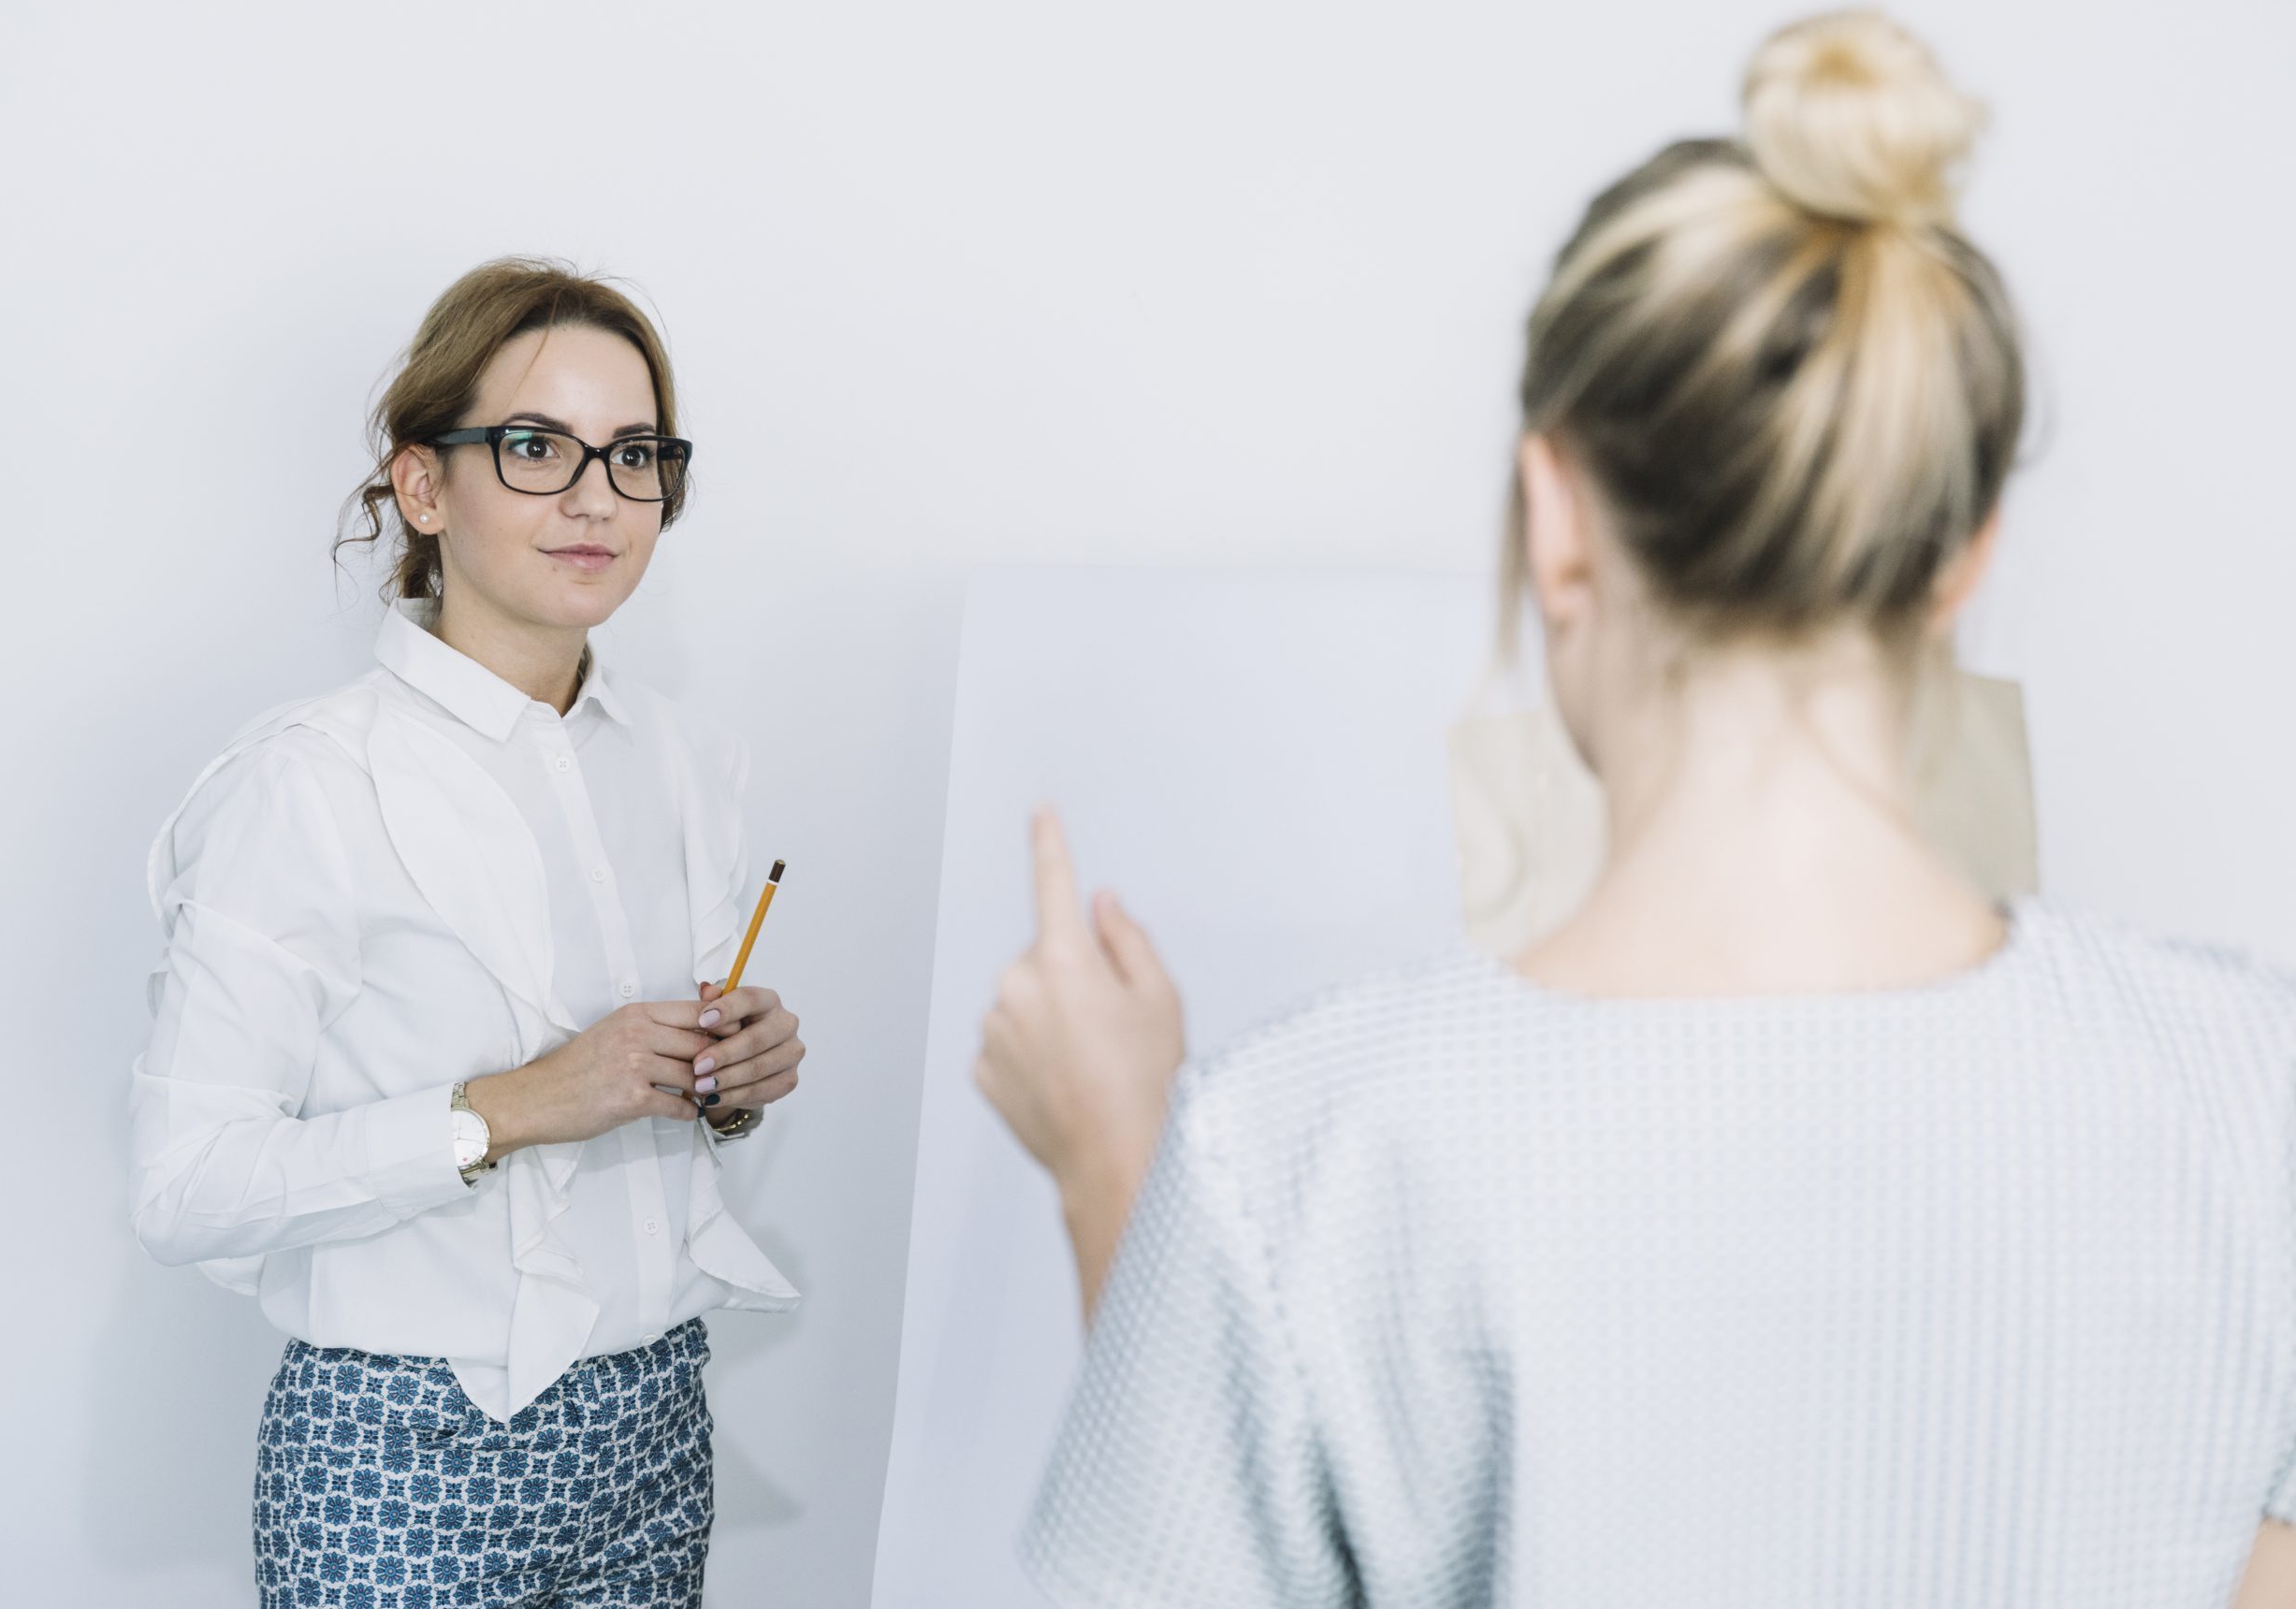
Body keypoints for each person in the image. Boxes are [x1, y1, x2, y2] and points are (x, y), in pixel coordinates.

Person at [971, 11, 2296, 1606]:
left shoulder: (1302, 1160)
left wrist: (1118, 1170)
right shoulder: (2256, 1091)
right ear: (1963, 555)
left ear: (1558, 520)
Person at [129, 257, 807, 1606]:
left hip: (656, 1428)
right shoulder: (306, 785)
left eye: (634, 456)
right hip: (399, 1449)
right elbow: (184, 1187)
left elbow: (664, 1111)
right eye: (536, 447)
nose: (596, 497)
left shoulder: (688, 762)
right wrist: (514, 1106)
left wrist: (730, 1080)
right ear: (424, 487)